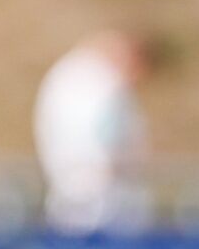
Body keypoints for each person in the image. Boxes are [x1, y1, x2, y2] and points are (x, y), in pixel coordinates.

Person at [34, 29, 155, 235]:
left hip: (68, 199)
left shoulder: (66, 75)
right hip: (108, 204)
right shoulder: (103, 83)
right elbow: (114, 139)